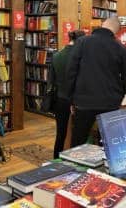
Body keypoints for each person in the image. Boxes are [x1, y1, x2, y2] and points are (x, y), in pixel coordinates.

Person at [67, 17, 126, 147]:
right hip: (110, 102)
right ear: (116, 31)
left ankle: (73, 166)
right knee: (107, 143)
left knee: (78, 141)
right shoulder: (121, 49)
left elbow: (71, 72)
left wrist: (71, 98)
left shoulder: (82, 42)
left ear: (102, 25)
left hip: (84, 101)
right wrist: (119, 96)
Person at [50, 30, 86, 158]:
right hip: (78, 100)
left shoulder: (57, 56)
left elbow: (51, 80)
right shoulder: (81, 57)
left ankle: (56, 159)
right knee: (78, 135)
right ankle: (75, 160)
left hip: (60, 98)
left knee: (61, 133)